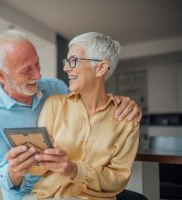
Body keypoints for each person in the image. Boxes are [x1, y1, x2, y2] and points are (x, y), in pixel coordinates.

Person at [0, 29, 142, 200]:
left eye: (37, 64)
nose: (38, 75)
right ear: (1, 76)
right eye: (26, 70)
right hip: (26, 193)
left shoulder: (55, 89)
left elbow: (90, 91)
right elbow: (2, 174)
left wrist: (121, 100)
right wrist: (15, 169)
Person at [26, 32, 139, 200]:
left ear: (100, 68)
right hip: (43, 196)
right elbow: (36, 168)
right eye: (67, 61)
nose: (65, 68)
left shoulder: (126, 120)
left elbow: (117, 181)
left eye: (74, 61)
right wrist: (32, 158)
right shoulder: (54, 105)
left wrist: (74, 170)